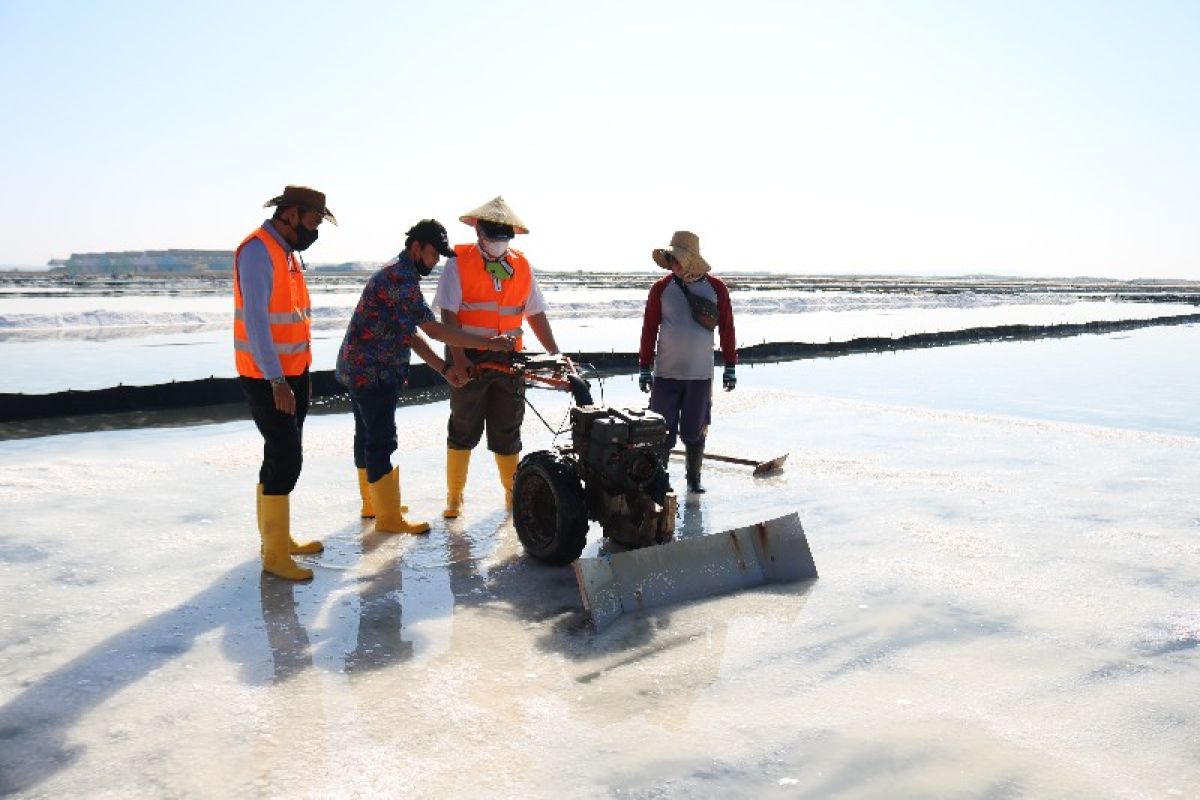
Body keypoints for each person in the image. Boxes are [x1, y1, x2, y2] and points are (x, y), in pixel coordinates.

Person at [335, 219, 516, 534]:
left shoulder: (398, 272)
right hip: (374, 371)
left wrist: (444, 369)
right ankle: (388, 518)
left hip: (361, 367)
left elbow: (412, 335)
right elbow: (434, 330)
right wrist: (488, 343)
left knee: (366, 436)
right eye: (432, 254)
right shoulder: (399, 278)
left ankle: (374, 504)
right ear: (415, 246)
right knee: (380, 440)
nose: (434, 263)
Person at [432, 196, 567, 518]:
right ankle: (454, 496)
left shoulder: (521, 265)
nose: (498, 242)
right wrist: (459, 357)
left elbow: (535, 314)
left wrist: (556, 354)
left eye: (505, 237)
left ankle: (512, 495)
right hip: (470, 357)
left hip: (509, 358)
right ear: (479, 233)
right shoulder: (458, 261)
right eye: (493, 236)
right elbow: (448, 314)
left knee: (507, 428)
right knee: (463, 425)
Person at [234, 185, 335, 581]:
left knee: (279, 455)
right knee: (286, 456)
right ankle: (274, 555)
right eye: (312, 221)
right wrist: (277, 380)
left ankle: (276, 538)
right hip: (267, 376)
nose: (315, 231)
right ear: (290, 214)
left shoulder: (287, 254)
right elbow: (257, 322)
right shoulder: (259, 250)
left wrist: (297, 375)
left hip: (292, 372)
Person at [638, 230, 737, 493]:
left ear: (693, 260)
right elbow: (649, 329)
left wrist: (730, 366)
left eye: (679, 260)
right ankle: (660, 481)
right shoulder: (661, 289)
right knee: (661, 431)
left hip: (699, 376)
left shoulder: (716, 289)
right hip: (665, 375)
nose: (675, 265)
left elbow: (727, 327)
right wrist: (644, 367)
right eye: (671, 260)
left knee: (694, 431)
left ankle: (694, 479)